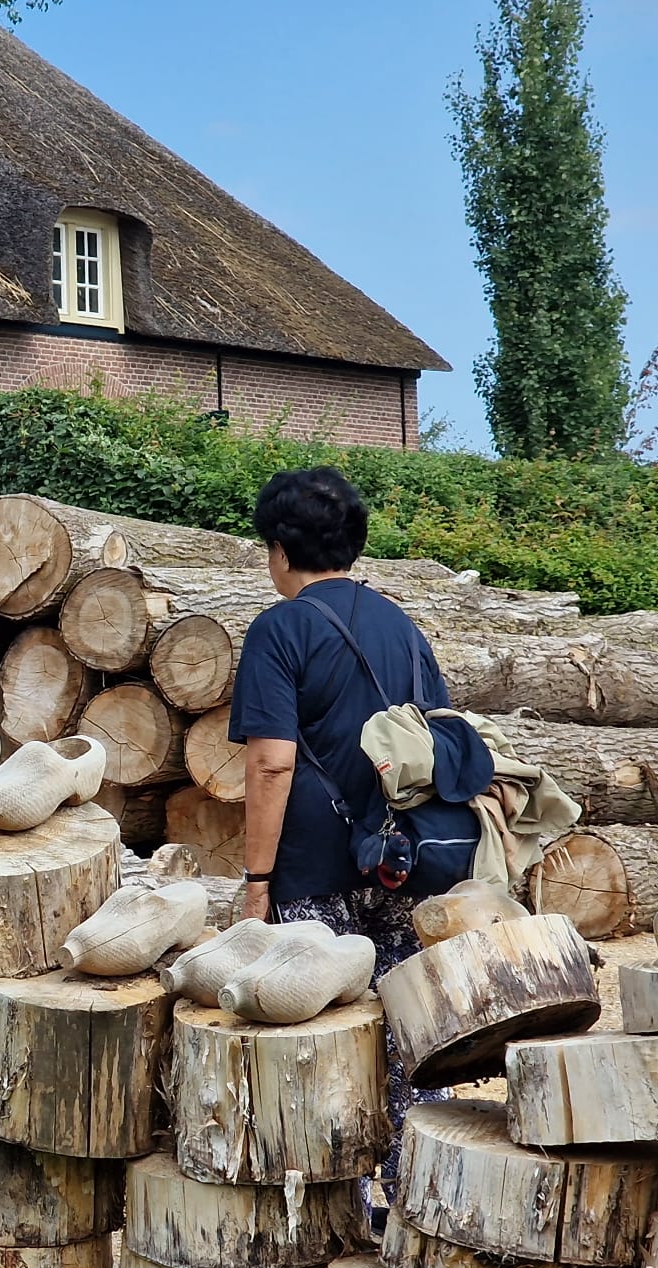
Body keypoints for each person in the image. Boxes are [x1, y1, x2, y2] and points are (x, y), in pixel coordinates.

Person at [227, 466, 450, 1190]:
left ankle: (337, 1206)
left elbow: (271, 763)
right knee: (409, 1033)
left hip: (312, 870)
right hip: (403, 859)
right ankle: (419, 1193)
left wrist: (257, 882)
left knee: (319, 1038)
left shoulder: (279, 629)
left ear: (280, 550)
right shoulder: (403, 627)